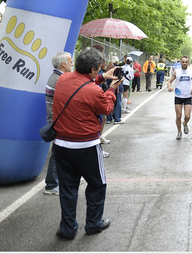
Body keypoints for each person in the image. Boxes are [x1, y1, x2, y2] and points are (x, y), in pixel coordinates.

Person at [53, 47, 124, 239]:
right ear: (93, 69)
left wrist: (102, 77)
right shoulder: (94, 91)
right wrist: (111, 89)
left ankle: (68, 229)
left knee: (68, 188)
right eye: (98, 69)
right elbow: (107, 109)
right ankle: (93, 224)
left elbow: (80, 85)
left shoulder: (63, 79)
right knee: (97, 184)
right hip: (86, 146)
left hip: (61, 144)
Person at [43, 51, 74, 196]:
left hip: (57, 119)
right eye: (70, 61)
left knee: (62, 152)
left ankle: (58, 181)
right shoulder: (58, 80)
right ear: (63, 64)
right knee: (57, 153)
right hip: (58, 121)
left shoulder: (58, 78)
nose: (72, 63)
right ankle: (51, 185)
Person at [167, 55, 192, 140]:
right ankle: (179, 131)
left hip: (188, 96)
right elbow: (170, 81)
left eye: (186, 62)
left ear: (188, 63)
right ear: (180, 62)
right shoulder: (176, 72)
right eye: (183, 62)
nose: (184, 63)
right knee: (178, 116)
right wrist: (169, 87)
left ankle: (185, 123)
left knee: (187, 116)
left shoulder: (191, 72)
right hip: (178, 96)